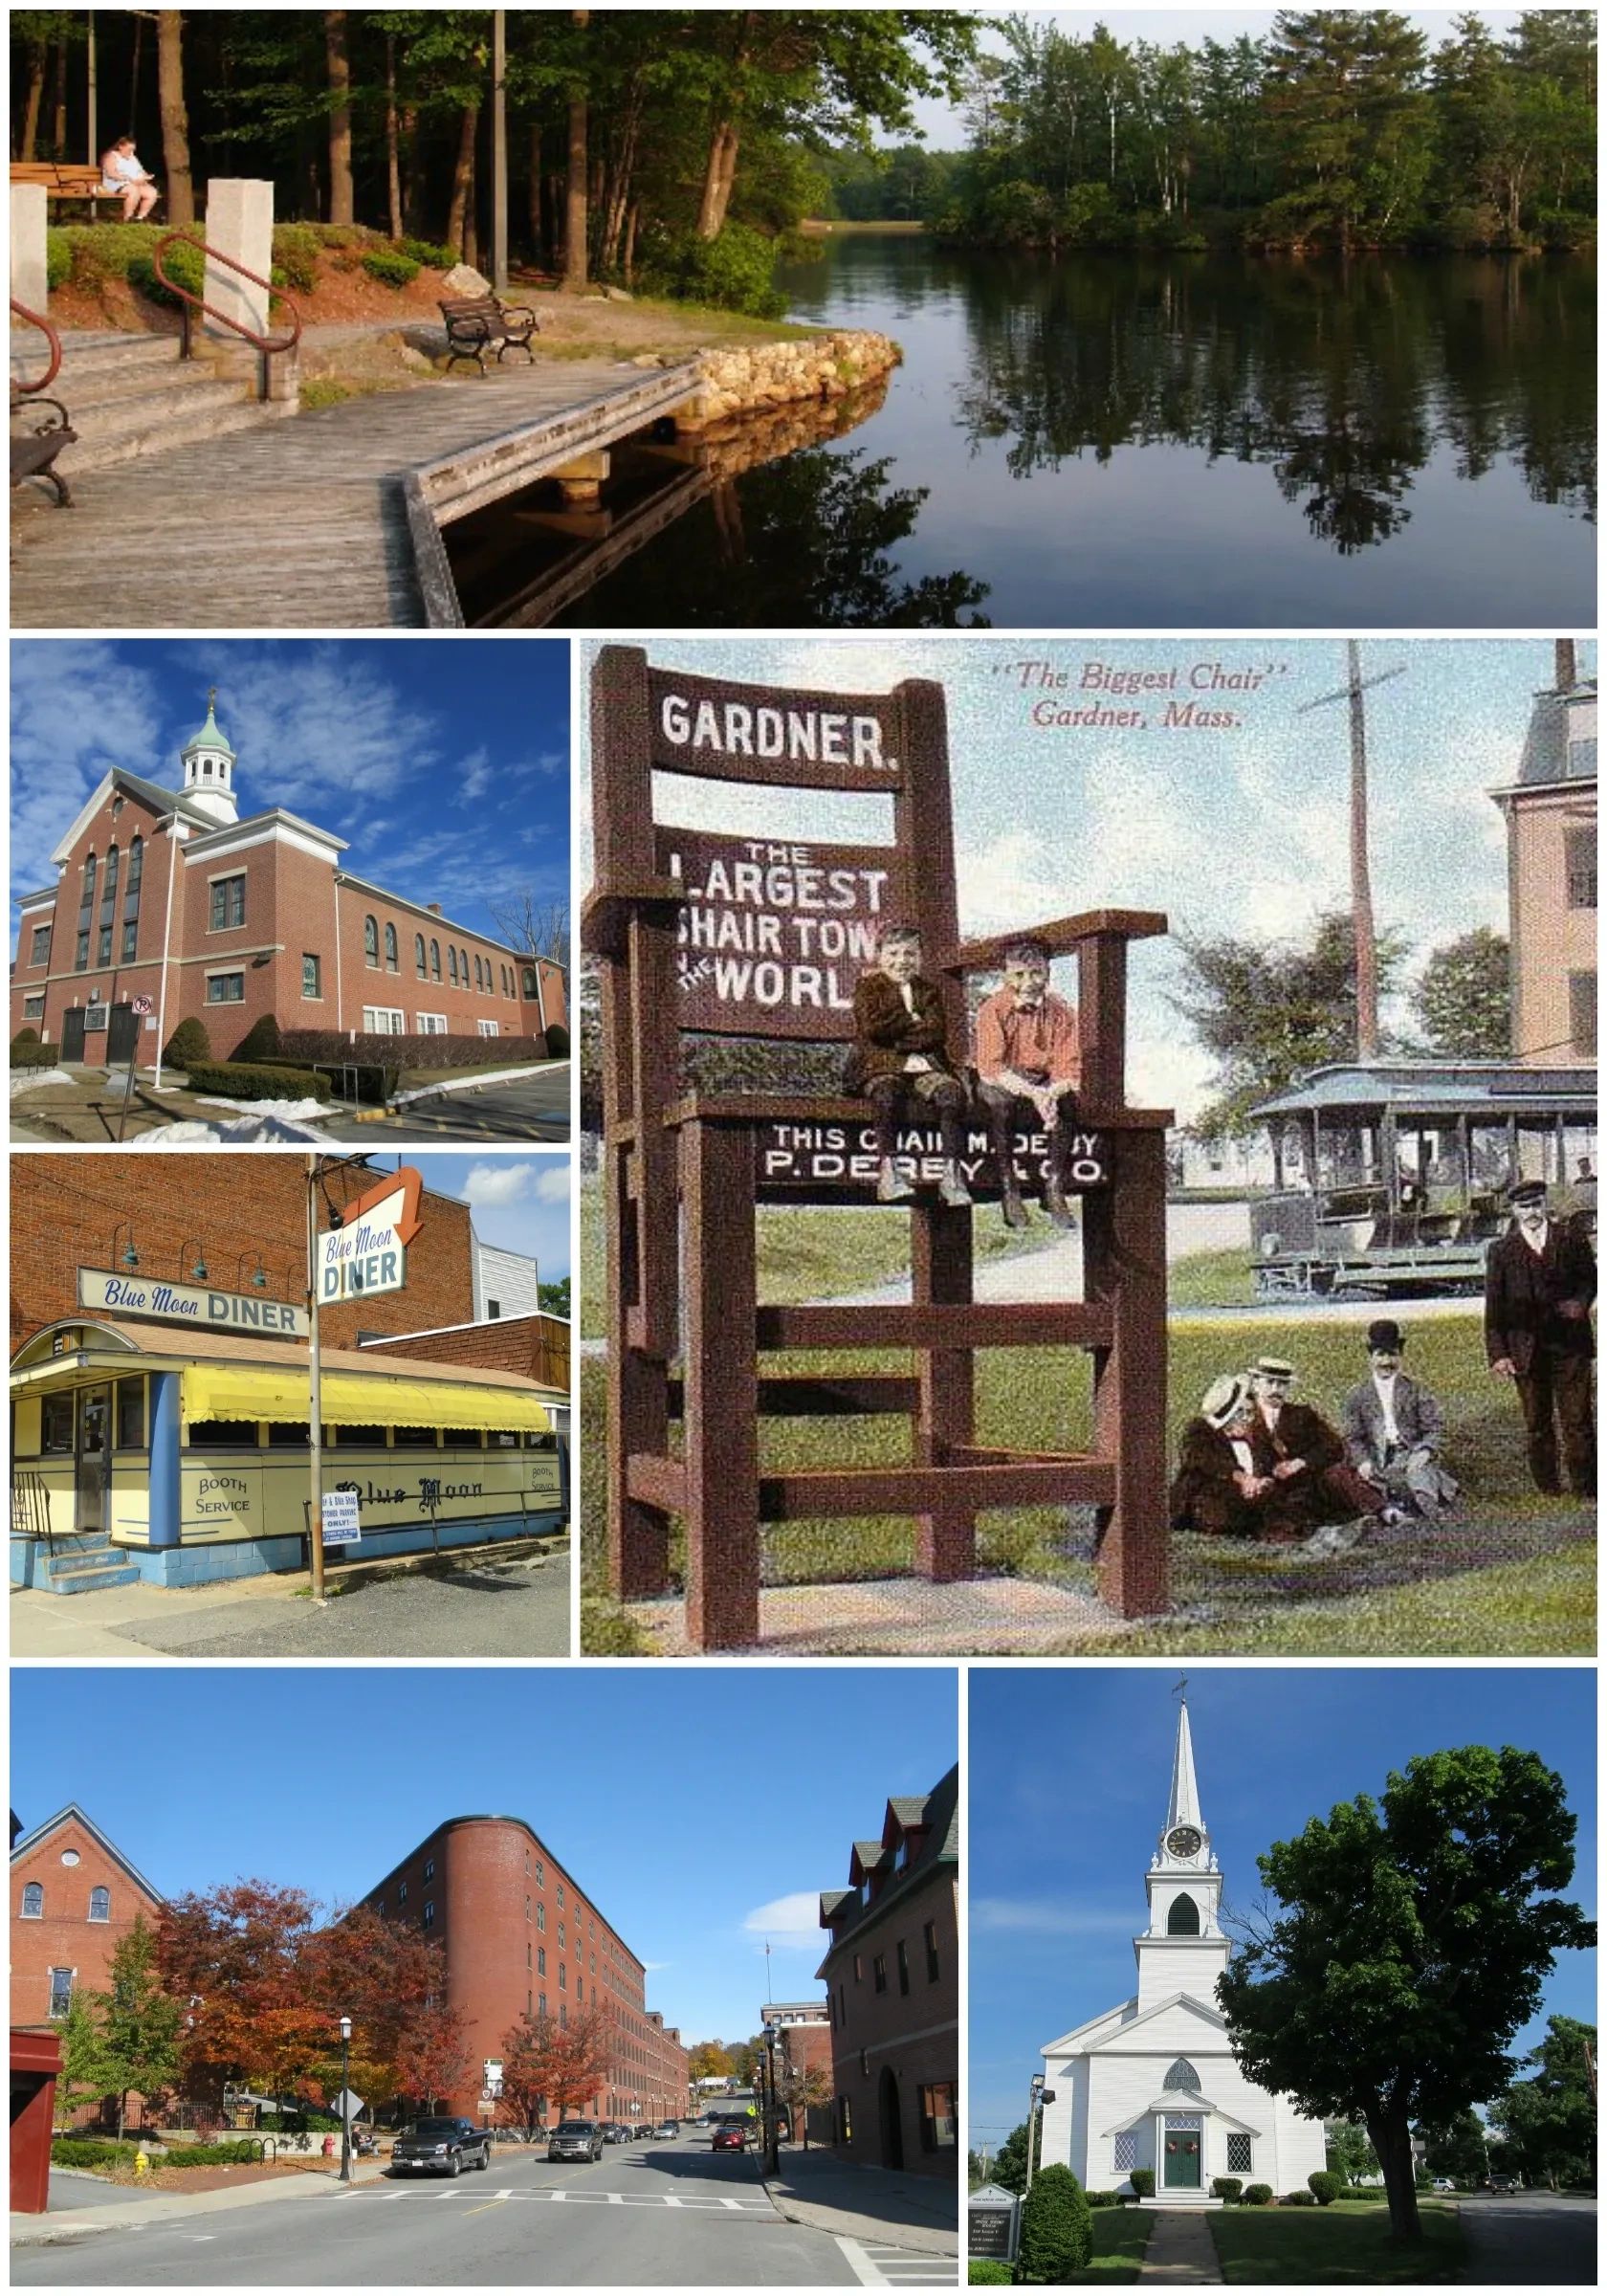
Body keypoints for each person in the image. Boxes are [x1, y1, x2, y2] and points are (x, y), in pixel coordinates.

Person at [843, 922, 972, 1208]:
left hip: (924, 1065)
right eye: (894, 953)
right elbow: (873, 1028)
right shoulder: (868, 988)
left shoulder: (929, 991)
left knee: (951, 1095)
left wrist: (900, 1034)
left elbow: (936, 1033)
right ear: (880, 956)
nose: (902, 961)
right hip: (882, 1064)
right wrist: (911, 1018)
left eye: (910, 954)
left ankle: (951, 1174)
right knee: (886, 1093)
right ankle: (889, 1171)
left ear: (920, 958)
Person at [1484, 1179, 1596, 1497]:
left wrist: (1581, 1302)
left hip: (1570, 1345)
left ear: (1544, 1204)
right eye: (1524, 1207)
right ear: (1514, 1210)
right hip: (1525, 1350)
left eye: (1536, 1205)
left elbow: (1590, 1279)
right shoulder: (1502, 1251)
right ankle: (1549, 1488)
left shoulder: (1570, 1238)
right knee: (1536, 1422)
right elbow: (1494, 1307)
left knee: (1578, 1419)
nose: (1531, 1212)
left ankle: (1587, 1488)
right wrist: (1499, 1354)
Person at [973, 938, 1081, 1229]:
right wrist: (1034, 1094)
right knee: (1000, 1104)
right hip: (1003, 1080)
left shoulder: (1061, 1010)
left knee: (1068, 1103)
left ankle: (1055, 1187)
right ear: (1006, 976)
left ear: (1047, 973)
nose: (1029, 982)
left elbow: (1067, 1062)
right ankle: (1009, 1189)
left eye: (1036, 973)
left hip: (1043, 1083)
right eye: (1019, 974)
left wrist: (1052, 1094)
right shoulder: (992, 1009)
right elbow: (992, 1066)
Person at [1246, 1354, 1395, 1552]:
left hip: (1311, 1485)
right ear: (1256, 1384)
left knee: (1338, 1474)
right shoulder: (1243, 1417)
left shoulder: (1302, 1415)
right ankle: (1325, 1536)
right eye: (1270, 1382)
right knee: (1279, 1514)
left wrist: (1301, 1462)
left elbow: (1334, 1446)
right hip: (1273, 1492)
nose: (1275, 1390)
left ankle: (1386, 1512)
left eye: (1282, 1384)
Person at [1340, 1318, 1459, 1522]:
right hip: (1377, 1456)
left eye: (1392, 1354)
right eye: (1380, 1355)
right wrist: (1363, 1461)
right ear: (1370, 1357)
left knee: (1419, 1476)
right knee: (1359, 1482)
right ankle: (1391, 1506)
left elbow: (1436, 1428)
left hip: (1409, 1452)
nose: (1386, 1362)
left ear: (1400, 1355)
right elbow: (1353, 1437)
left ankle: (1425, 1504)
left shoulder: (1415, 1389)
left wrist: (1425, 1451)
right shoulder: (1357, 1395)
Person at [1169, 1373, 1304, 1542]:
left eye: (1250, 1413)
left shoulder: (1257, 1438)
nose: (1247, 1419)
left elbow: (1270, 1464)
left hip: (1251, 1499)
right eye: (1240, 1413)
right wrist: (1244, 1480)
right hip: (1210, 1499)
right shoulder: (1201, 1432)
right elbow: (1209, 1461)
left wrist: (1270, 1478)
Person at [99, 136, 160, 221]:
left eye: (132, 150)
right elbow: (111, 173)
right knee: (133, 190)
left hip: (135, 183)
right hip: (116, 183)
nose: (131, 152)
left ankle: (140, 218)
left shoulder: (132, 157)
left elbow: (141, 171)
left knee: (152, 192)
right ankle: (128, 218)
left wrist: (145, 178)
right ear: (121, 147)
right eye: (129, 149)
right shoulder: (112, 156)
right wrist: (129, 179)